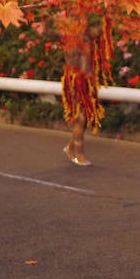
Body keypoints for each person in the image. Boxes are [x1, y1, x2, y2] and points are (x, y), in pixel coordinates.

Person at [58, 12, 108, 166]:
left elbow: (101, 28)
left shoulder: (87, 35)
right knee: (81, 117)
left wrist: (110, 7)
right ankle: (77, 152)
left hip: (88, 81)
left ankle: (71, 147)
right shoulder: (67, 38)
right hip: (75, 80)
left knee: (84, 118)